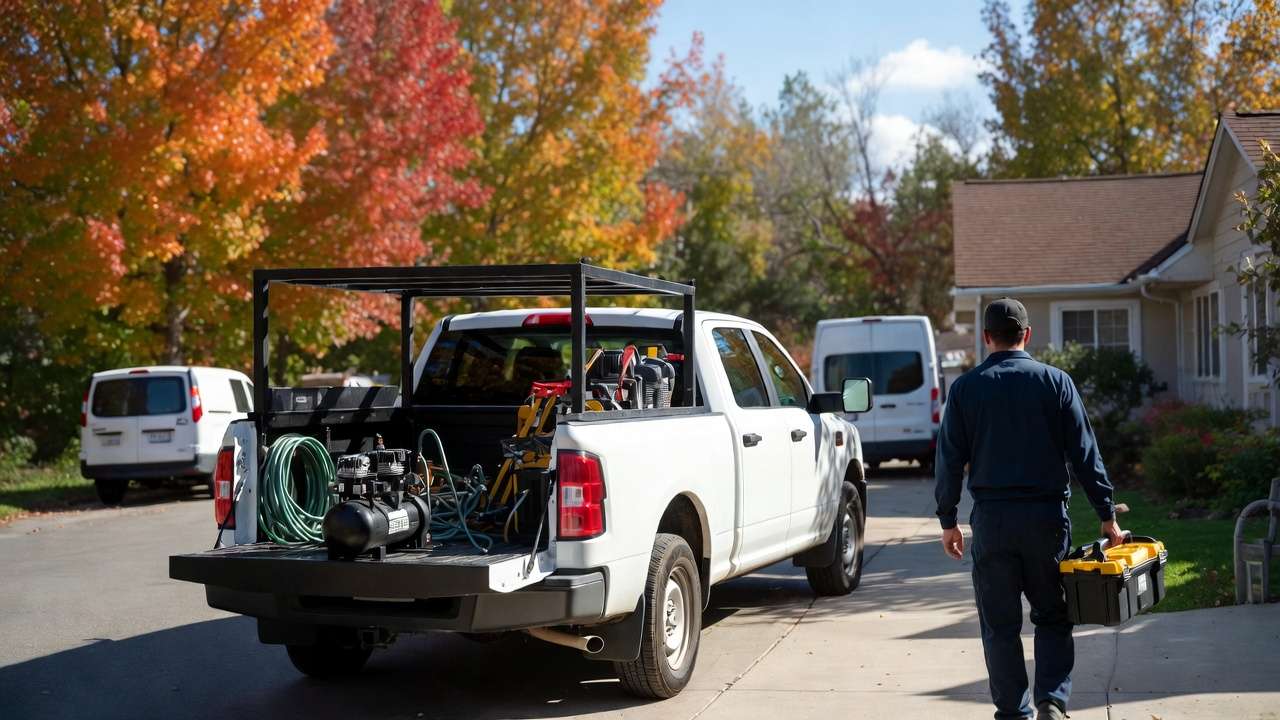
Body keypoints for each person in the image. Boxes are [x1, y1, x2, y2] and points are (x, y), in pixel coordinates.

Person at [935, 298, 1124, 720]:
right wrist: (1106, 513)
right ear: (1028, 335)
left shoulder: (965, 389)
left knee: (999, 625)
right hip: (1046, 521)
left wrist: (948, 520)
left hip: (993, 521)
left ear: (986, 338)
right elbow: (1084, 454)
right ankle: (1051, 701)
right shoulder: (1055, 382)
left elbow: (948, 460)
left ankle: (1012, 712)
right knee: (1053, 616)